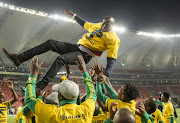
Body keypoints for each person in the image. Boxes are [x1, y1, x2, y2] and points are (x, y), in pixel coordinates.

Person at [3, 9, 120, 92]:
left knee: (60, 59)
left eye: (106, 25)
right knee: (50, 43)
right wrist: (73, 15)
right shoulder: (99, 25)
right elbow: (85, 24)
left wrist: (106, 74)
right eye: (103, 22)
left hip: (85, 55)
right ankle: (19, 58)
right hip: (77, 47)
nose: (103, 26)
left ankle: (38, 87)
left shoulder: (113, 39)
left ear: (112, 26)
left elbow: (112, 58)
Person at [24, 55, 96, 123]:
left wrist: (33, 74)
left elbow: (30, 99)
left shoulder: (53, 113)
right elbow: (92, 93)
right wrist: (84, 71)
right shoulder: (86, 109)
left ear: (60, 97)